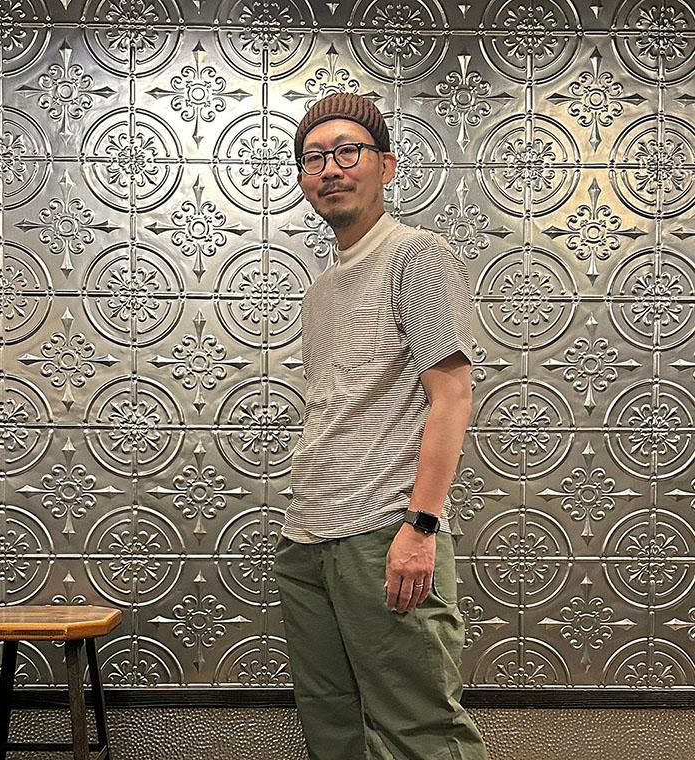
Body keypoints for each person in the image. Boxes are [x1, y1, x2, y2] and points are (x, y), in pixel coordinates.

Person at [274, 93, 489, 760]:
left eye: (348, 151)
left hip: (384, 533)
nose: (330, 169)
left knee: (419, 730)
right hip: (307, 536)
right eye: (314, 158)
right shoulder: (321, 289)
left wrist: (421, 527)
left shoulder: (415, 255)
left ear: (385, 166)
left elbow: (452, 396)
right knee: (332, 729)